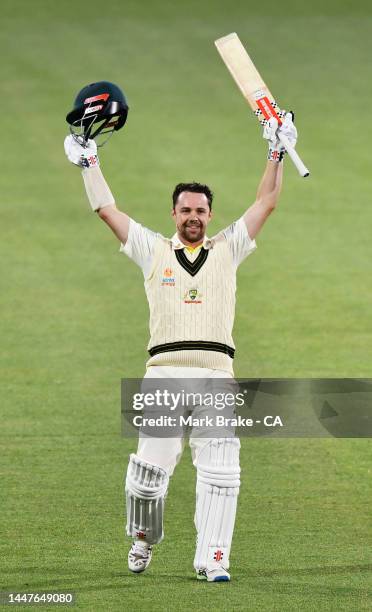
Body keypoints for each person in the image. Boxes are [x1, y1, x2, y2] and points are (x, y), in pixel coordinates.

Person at [64, 113, 297, 582]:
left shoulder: (229, 248)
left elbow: (266, 202)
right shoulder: (153, 250)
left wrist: (276, 152)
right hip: (164, 376)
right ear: (174, 214)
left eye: (201, 210)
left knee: (222, 475)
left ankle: (213, 562)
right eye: (185, 210)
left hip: (216, 376)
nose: (193, 217)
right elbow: (108, 211)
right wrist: (89, 165)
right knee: (148, 477)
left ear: (210, 215)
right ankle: (143, 540)